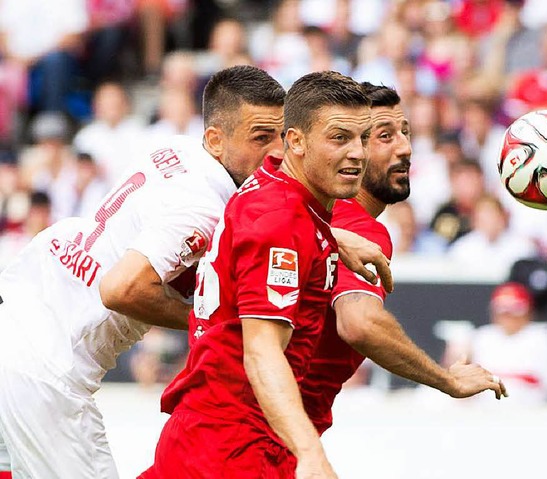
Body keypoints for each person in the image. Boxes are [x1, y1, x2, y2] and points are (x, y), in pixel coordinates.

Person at [0, 65, 287, 479]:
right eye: (261, 138)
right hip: (48, 372)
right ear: (215, 140)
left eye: (281, 135)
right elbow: (122, 289)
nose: (277, 150)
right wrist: (206, 322)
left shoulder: (178, 149)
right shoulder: (202, 207)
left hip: (18, 321)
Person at [139, 71, 373, 479]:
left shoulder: (266, 187)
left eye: (363, 138)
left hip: (209, 432)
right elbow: (262, 351)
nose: (357, 153)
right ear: (295, 141)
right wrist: (310, 453)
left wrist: (330, 237)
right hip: (235, 445)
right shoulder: (281, 222)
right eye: (339, 138)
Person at [300, 83, 507, 438]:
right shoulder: (358, 227)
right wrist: (446, 380)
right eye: (386, 136)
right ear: (352, 149)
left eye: (406, 132)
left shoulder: (304, 210)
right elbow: (359, 323)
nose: (406, 148)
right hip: (252, 440)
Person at [465, 282, 547, 406]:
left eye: (515, 309)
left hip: (530, 415)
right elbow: (461, 384)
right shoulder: (482, 337)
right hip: (484, 414)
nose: (508, 315)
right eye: (502, 308)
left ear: (528, 311)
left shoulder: (541, 338)